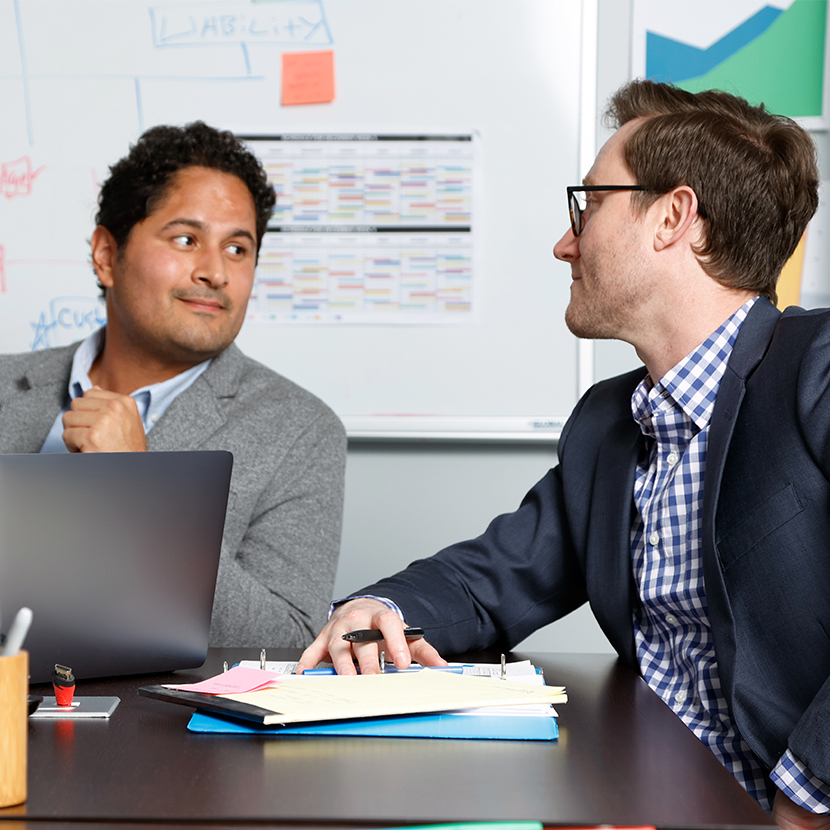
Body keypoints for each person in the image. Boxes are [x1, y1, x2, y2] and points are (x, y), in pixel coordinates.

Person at [298, 81, 830, 829]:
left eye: (590, 204)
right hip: (633, 803)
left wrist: (807, 798)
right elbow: (494, 577)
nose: (564, 241)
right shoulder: (608, 423)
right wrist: (380, 607)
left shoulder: (817, 367)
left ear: (673, 219)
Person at [0, 122, 346, 648]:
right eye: (186, 239)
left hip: (149, 725)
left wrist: (137, 490)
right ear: (106, 256)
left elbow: (286, 639)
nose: (216, 272)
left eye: (237, 249)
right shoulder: (6, 388)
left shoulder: (300, 430)